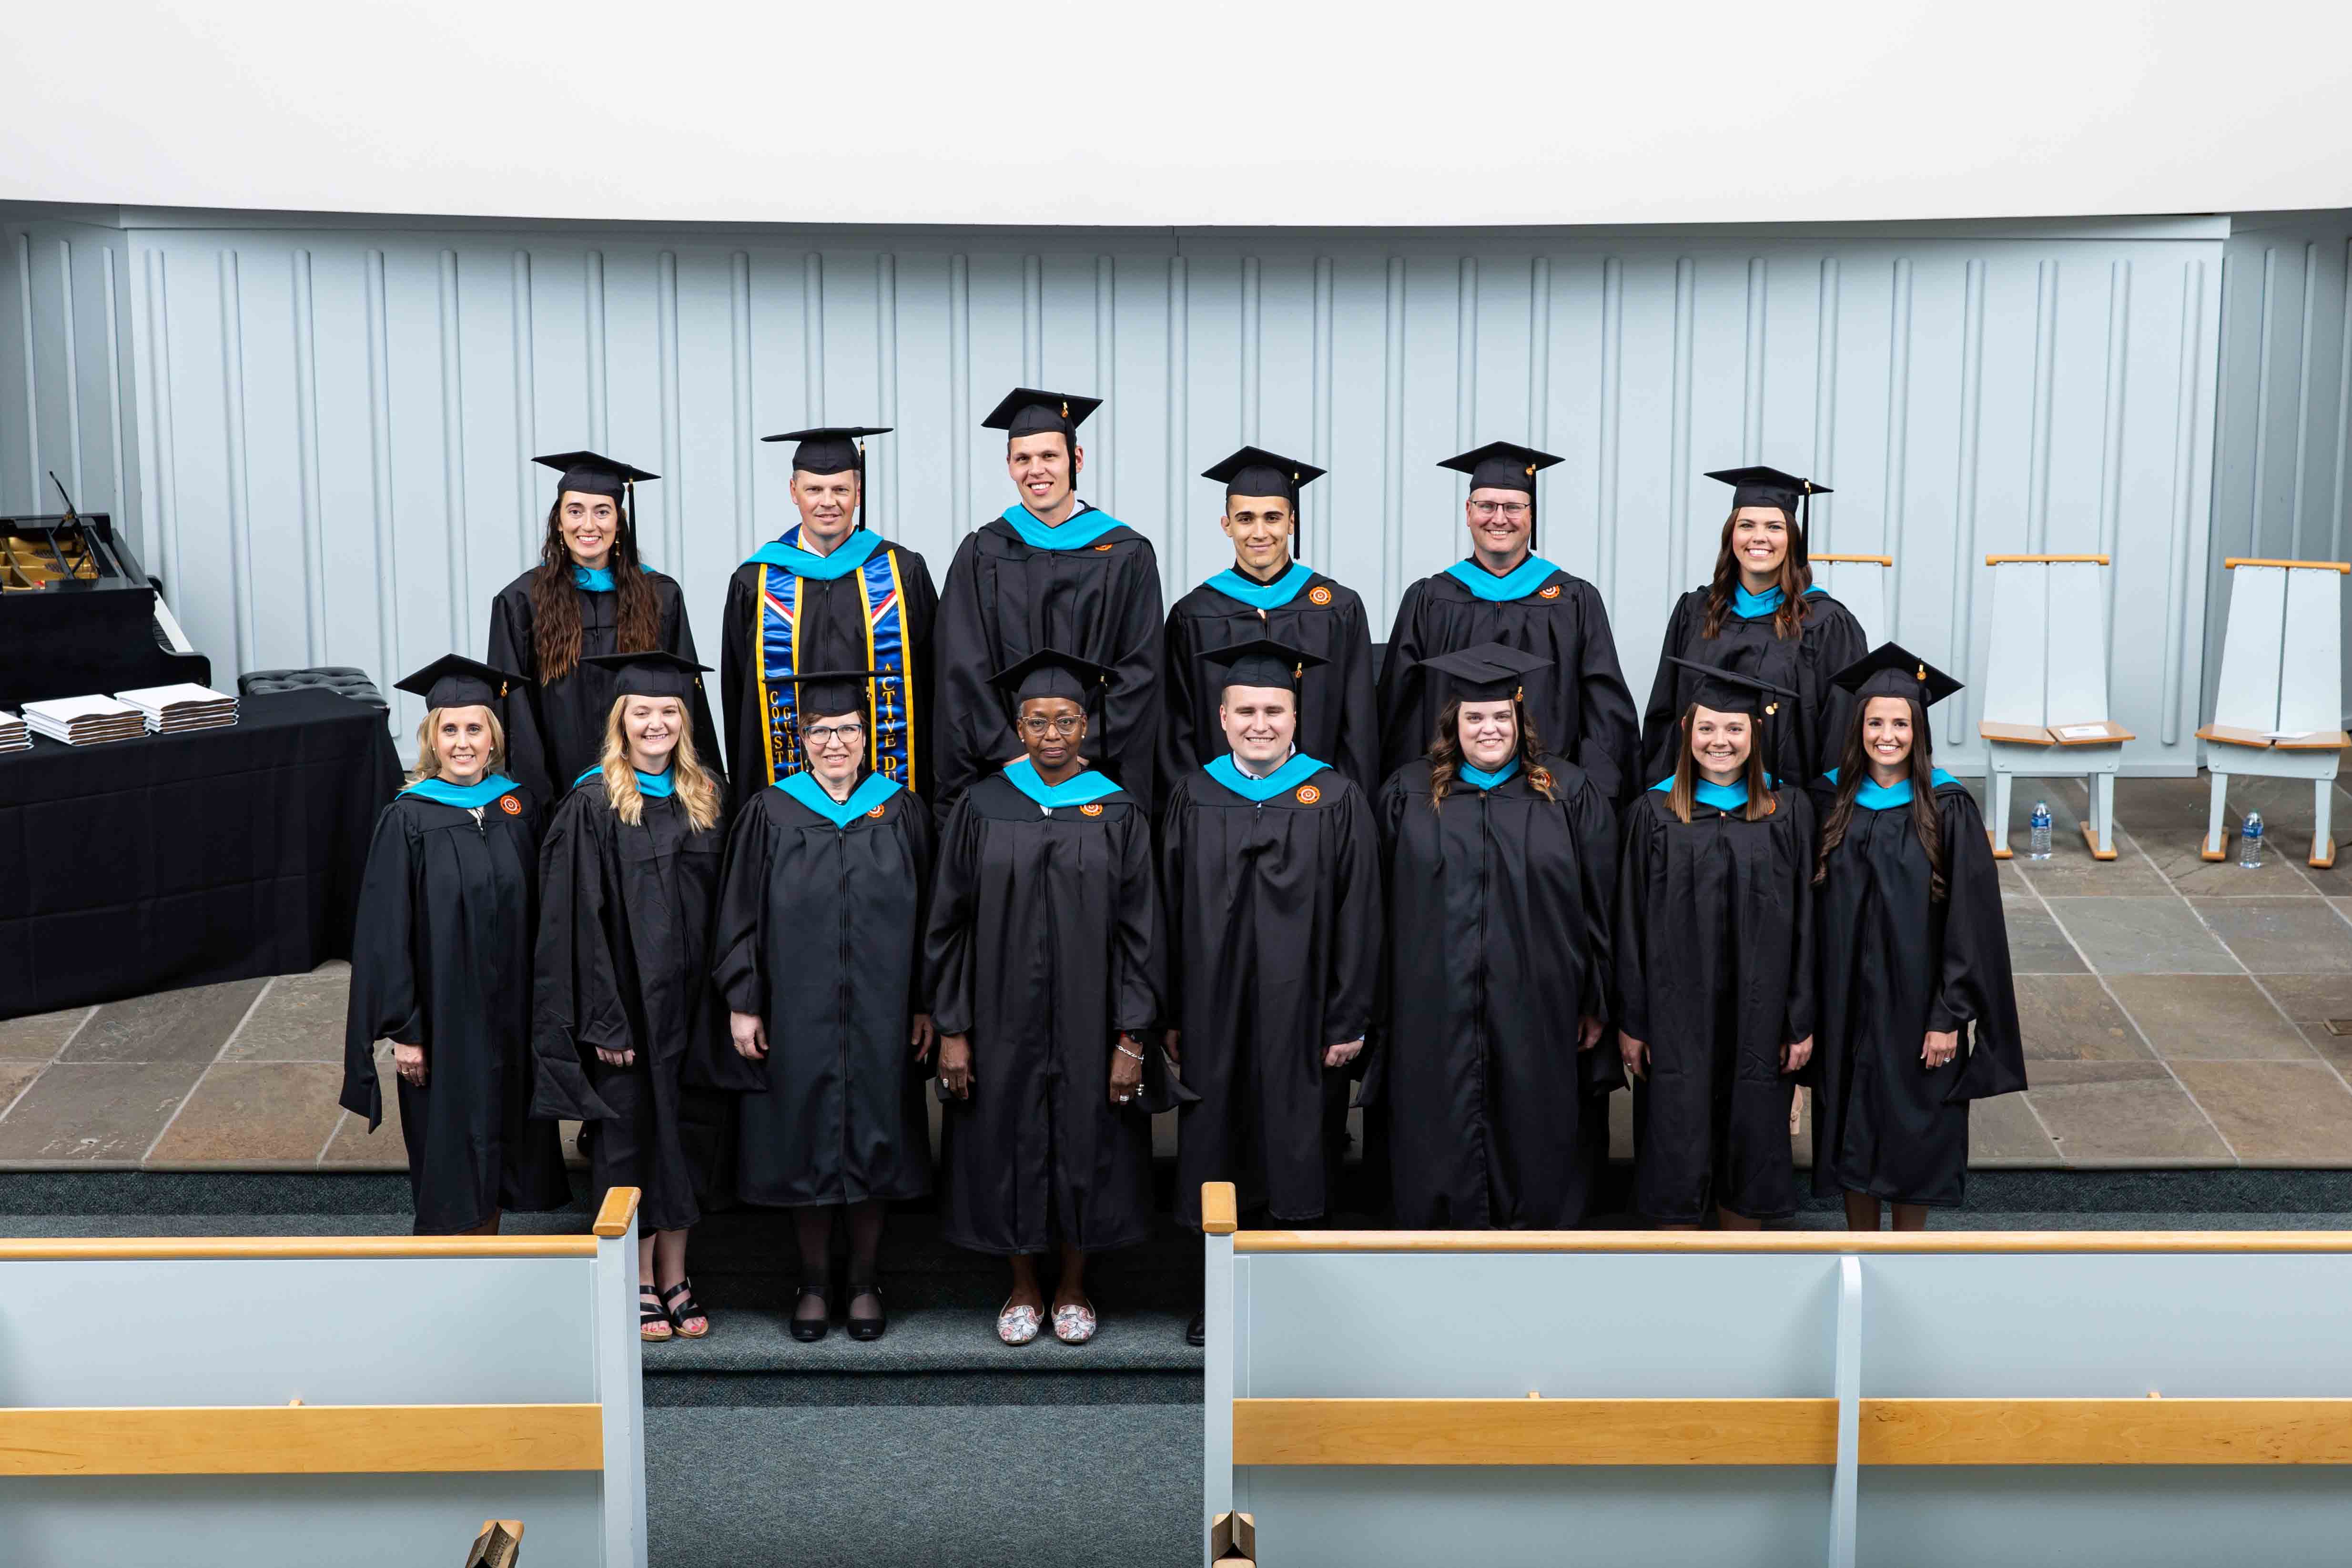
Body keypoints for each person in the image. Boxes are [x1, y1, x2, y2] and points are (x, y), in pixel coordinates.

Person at [925, 648, 1159, 1346]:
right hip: (999, 1019)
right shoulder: (982, 804)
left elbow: (1142, 931)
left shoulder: (1118, 808)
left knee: (1089, 1140)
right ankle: (1023, 1282)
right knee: (1006, 1140)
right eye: (1037, 721)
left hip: (1093, 1022)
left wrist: (1132, 1035)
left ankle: (1074, 1284)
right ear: (1017, 726)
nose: (1051, 733)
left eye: (1065, 720)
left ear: (1086, 724)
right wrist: (953, 1026)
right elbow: (948, 923)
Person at [1161, 638, 1380, 1344]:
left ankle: (1293, 1304)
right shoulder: (1193, 794)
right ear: (1222, 718)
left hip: (1306, 1010)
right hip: (1209, 1008)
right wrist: (1166, 1010)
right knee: (1215, 1139)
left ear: (1297, 716)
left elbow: (1360, 914)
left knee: (1300, 1143)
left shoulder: (1336, 796)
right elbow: (1162, 910)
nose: (1261, 722)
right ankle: (1215, 1298)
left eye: (1275, 710)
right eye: (1247, 710)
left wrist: (1349, 1014)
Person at [710, 667, 936, 1343]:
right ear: (799, 737)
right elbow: (739, 916)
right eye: (820, 731)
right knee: (805, 1139)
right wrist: (744, 1001)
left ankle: (865, 1279)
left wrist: (926, 1003)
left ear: (870, 737)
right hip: (796, 1012)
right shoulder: (771, 811)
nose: (834, 741)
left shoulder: (901, 809)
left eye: (847, 730)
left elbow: (934, 918)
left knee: (874, 1136)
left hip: (884, 1011)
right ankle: (812, 1280)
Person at [1368, 643, 1618, 1229]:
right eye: (1474, 717)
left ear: (1521, 719)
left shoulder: (1568, 793)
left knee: (1538, 1129)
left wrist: (1595, 999)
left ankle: (1539, 1263)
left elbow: (1600, 907)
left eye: (1501, 716)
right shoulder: (1405, 795)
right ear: (1452, 724)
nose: (1489, 728)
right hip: (1431, 1011)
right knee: (1435, 1130)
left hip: (1540, 1008)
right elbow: (1374, 910)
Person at [529, 650, 729, 1341]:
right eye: (642, 711)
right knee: (629, 1138)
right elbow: (571, 923)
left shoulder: (707, 794)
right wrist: (603, 1018)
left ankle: (676, 1271)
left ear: (686, 719)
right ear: (621, 719)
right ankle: (637, 1278)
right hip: (629, 1017)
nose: (656, 723)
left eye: (669, 711)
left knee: (689, 1134)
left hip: (694, 1008)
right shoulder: (592, 803)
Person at [341, 656, 568, 1235]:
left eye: (475, 729)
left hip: (514, 1017)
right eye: (450, 730)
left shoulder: (517, 809)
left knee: (509, 1142)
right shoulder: (408, 819)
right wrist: (407, 1032)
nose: (463, 743)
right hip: (445, 1021)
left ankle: (490, 1257)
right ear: (432, 739)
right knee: (451, 1157)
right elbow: (385, 936)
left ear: (493, 737)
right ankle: (449, 1270)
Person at [1807, 644, 2027, 1230]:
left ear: (1918, 729)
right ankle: (1858, 1244)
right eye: (1875, 722)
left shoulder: (1948, 807)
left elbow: (1971, 923)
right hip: (1845, 1001)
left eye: (1900, 723)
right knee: (1850, 1121)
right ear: (1858, 727)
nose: (1887, 735)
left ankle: (1907, 1251)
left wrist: (1949, 1014)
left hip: (1917, 1006)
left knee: (1917, 1126)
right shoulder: (1826, 801)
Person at [1617, 661, 1815, 1230]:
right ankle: (1678, 1274)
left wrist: (1799, 1019)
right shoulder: (1651, 815)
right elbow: (1628, 924)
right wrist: (1632, 1020)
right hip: (1674, 1014)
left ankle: (1739, 1267)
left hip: (1762, 1013)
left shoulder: (1787, 814)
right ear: (1685, 731)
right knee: (1675, 1132)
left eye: (1734, 729)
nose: (1719, 741)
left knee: (1751, 1130)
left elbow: (1807, 926)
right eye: (1706, 728)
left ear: (1756, 736)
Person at [931, 388, 1165, 817]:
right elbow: (961, 665)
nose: (1036, 471)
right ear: (1009, 466)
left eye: (1049, 457)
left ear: (1076, 459)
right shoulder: (983, 552)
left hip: (1098, 776)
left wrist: (1081, 751)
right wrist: (1011, 751)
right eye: (1023, 459)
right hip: (1005, 774)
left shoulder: (1126, 553)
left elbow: (1141, 668)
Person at [1377, 442, 1640, 802]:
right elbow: (1400, 714)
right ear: (1468, 512)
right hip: (1448, 801)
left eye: (1513, 507)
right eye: (1486, 506)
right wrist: (1412, 797)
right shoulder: (1431, 600)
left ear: (1532, 515)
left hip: (1550, 799)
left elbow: (1604, 716)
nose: (1499, 518)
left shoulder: (1574, 600)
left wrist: (1590, 800)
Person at [719, 426, 938, 815]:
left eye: (840, 489)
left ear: (858, 491)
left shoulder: (901, 573)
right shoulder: (755, 583)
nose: (828, 502)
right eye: (814, 490)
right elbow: (737, 695)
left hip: (885, 792)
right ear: (793, 492)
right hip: (785, 790)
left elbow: (932, 681)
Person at [488, 451, 720, 809]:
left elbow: (684, 696)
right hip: (557, 791)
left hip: (648, 792)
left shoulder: (659, 596)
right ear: (559, 521)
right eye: (576, 510)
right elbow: (514, 712)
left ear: (619, 522)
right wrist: (538, 798)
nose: (589, 525)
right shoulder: (522, 602)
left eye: (602, 511)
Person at [1161, 447, 1379, 793]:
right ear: (1226, 525)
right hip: (1218, 808)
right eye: (1246, 518)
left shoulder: (1338, 608)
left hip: (1321, 806)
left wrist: (1345, 805)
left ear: (1292, 522)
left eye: (1273, 518)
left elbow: (1359, 725)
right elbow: (1175, 730)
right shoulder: (1195, 614)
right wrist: (1195, 806)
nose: (1260, 532)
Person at [1639, 466, 1867, 788]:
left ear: (1794, 539)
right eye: (1747, 525)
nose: (1758, 537)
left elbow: (1841, 733)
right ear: (1731, 535)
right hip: (1694, 809)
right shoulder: (1696, 611)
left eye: (1774, 526)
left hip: (1784, 808)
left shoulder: (1827, 624)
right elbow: (1665, 715)